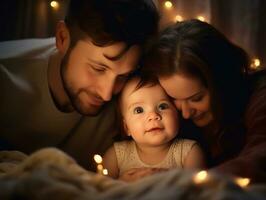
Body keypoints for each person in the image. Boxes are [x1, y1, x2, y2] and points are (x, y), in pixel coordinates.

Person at [0, 0, 159, 170]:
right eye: (98, 68)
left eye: (123, 76)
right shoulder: (6, 74)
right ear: (62, 38)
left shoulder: (135, 95)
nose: (106, 94)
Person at [142, 19, 266, 183]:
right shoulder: (170, 115)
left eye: (196, 98)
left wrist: (188, 183)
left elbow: (260, 159)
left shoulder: (259, 97)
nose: (185, 113)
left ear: (223, 81)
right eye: (174, 98)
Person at [103, 76, 205, 182]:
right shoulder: (116, 156)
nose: (153, 115)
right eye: (139, 110)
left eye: (162, 106)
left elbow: (197, 191)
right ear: (126, 127)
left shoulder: (189, 152)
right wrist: (121, 184)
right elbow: (100, 192)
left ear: (177, 116)